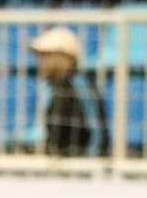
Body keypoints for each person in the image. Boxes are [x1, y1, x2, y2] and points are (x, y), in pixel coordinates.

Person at [29, 25, 108, 157]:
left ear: (65, 57)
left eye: (46, 55)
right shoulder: (50, 88)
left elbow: (98, 134)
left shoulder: (81, 86)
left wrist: (86, 168)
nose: (41, 61)